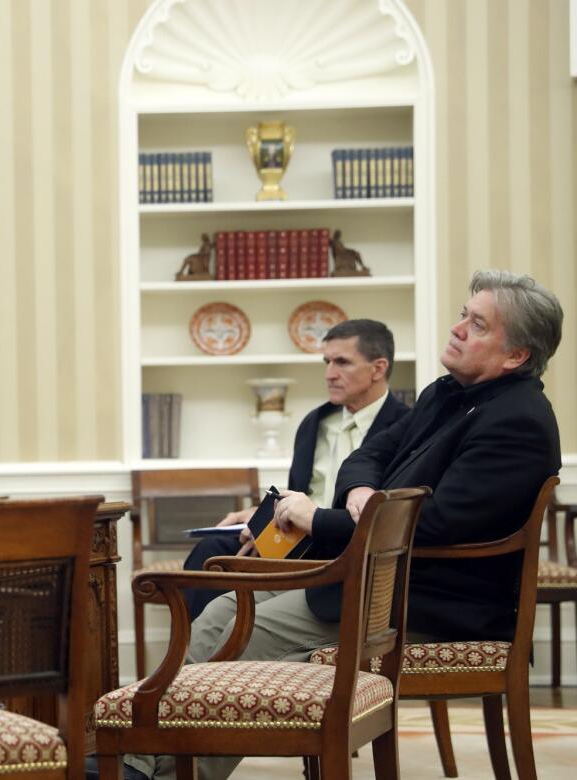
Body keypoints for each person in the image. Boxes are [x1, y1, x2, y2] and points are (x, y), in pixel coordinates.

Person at [125, 270, 563, 780]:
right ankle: (139, 762)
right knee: (223, 609)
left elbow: (437, 526)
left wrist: (324, 520)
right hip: (376, 581)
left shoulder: (519, 421)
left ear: (516, 356)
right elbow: (368, 456)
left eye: (478, 324)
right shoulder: (446, 394)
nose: (458, 327)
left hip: (431, 603)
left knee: (248, 637)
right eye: (465, 314)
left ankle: (164, 773)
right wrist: (360, 495)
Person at [179, 319, 409, 621]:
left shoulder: (406, 428)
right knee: (213, 551)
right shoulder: (315, 423)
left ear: (378, 368)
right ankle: (193, 663)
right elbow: (298, 492)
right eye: (326, 362)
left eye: (342, 362)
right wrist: (261, 517)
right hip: (296, 538)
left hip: (347, 544)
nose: (329, 374)